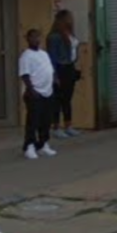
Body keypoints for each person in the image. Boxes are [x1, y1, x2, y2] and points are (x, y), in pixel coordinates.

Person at [18, 29, 57, 159]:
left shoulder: (44, 54)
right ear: (28, 39)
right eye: (33, 37)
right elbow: (24, 75)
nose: (36, 40)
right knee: (33, 121)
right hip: (35, 93)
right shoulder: (26, 56)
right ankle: (29, 146)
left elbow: (49, 69)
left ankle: (43, 144)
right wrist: (31, 90)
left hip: (48, 91)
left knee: (46, 120)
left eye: (38, 37)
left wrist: (54, 80)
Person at [46, 9, 81, 139]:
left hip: (69, 67)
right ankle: (55, 126)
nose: (71, 20)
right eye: (69, 18)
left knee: (67, 98)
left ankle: (68, 125)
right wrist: (54, 75)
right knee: (58, 99)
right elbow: (52, 57)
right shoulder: (55, 36)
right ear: (62, 20)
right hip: (60, 67)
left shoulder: (70, 34)